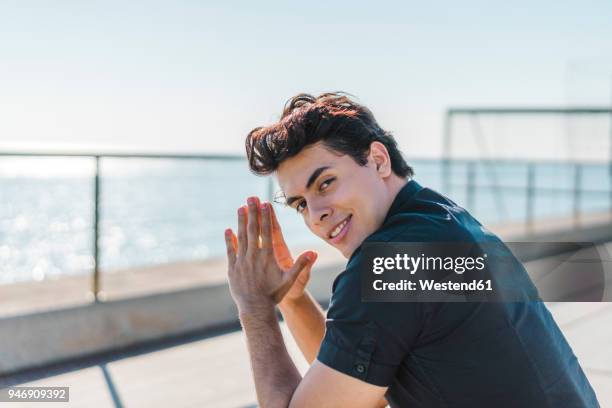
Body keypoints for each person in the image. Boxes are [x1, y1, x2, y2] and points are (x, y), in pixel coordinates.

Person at [223, 93, 598, 407]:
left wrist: (254, 307)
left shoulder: (389, 262)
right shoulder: (443, 221)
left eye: (325, 183)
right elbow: (356, 384)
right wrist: (291, 298)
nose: (317, 215)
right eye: (301, 204)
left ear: (379, 160)